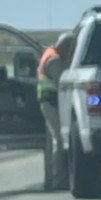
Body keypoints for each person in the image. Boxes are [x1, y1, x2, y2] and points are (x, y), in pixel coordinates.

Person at [37, 32, 75, 166]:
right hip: (51, 103)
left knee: (54, 141)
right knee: (59, 140)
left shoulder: (49, 53)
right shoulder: (54, 60)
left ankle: (53, 180)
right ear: (64, 46)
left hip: (50, 102)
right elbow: (63, 82)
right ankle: (59, 177)